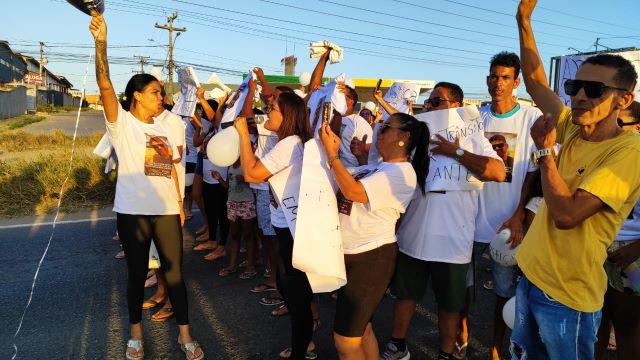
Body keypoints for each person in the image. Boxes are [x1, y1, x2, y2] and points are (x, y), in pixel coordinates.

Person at [513, 1, 640, 358]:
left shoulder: (629, 152)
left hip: (568, 295)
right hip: (533, 277)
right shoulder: (572, 124)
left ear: (623, 100)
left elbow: (567, 216)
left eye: (595, 90)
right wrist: (523, 19)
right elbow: (536, 81)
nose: (580, 96)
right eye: (575, 85)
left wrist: (544, 154)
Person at [90, 14, 203, 360]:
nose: (162, 97)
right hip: (132, 213)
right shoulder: (120, 124)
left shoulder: (168, 126)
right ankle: (136, 334)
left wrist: (182, 205)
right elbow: (105, 85)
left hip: (167, 211)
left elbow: (171, 168)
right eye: (155, 92)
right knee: (137, 274)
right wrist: (101, 43)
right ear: (136, 96)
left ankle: (185, 334)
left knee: (175, 274)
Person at [381, 82, 506, 360]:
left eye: (436, 102)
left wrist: (455, 152)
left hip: (453, 236)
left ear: (455, 105)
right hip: (415, 230)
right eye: (428, 102)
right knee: (406, 294)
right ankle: (397, 345)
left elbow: (497, 172)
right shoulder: (418, 135)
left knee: (450, 303)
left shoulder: (475, 138)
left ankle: (446, 353)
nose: (429, 106)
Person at [319, 112, 429, 359]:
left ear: (404, 137)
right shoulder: (376, 166)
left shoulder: (402, 173)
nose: (379, 131)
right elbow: (342, 180)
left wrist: (332, 154)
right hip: (352, 254)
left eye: (386, 127)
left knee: (346, 342)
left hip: (370, 259)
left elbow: (353, 191)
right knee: (363, 329)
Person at [454, 52, 542, 359]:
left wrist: (519, 215)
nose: (498, 83)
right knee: (462, 290)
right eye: (493, 76)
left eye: (505, 77)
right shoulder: (473, 118)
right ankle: (461, 335)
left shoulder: (530, 118)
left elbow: (532, 173)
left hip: (507, 227)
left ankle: (495, 348)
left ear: (516, 82)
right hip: (471, 223)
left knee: (504, 295)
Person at [235, 89, 315, 360]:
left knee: (294, 291)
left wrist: (244, 137)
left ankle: (302, 349)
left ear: (288, 115)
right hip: (289, 224)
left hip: (291, 228)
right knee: (291, 288)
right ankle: (305, 342)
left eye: (272, 108)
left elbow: (251, 173)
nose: (267, 112)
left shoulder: (289, 143)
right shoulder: (293, 141)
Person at [218, 158, 258, 279]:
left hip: (246, 202)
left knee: (248, 235)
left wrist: (245, 179)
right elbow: (227, 185)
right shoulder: (230, 166)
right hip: (232, 202)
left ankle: (250, 266)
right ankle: (232, 265)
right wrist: (219, 178)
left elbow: (257, 181)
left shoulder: (247, 164)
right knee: (234, 235)